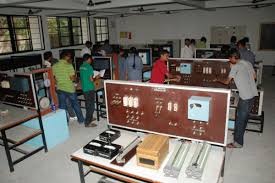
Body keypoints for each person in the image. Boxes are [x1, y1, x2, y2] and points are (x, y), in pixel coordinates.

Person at [215, 48, 258, 148]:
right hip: (253, 95)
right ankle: (240, 134)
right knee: (245, 117)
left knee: (239, 119)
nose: (230, 60)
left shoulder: (235, 67)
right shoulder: (248, 63)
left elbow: (226, 82)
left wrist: (217, 79)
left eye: (230, 58)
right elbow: (254, 77)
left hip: (245, 97)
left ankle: (237, 143)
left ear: (234, 57)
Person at [52, 50, 84, 124]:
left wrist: (57, 82)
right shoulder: (69, 65)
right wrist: (76, 78)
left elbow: (52, 77)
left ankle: (64, 122)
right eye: (70, 57)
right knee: (75, 105)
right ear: (67, 57)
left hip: (60, 88)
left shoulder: (54, 66)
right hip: (69, 89)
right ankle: (81, 120)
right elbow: (72, 78)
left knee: (62, 106)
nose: (70, 58)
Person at [80, 54, 98, 127]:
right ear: (88, 59)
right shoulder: (89, 67)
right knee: (91, 106)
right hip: (90, 88)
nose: (91, 61)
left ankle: (90, 118)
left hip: (84, 88)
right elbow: (91, 79)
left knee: (88, 104)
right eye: (91, 59)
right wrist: (97, 77)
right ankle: (87, 122)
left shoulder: (81, 66)